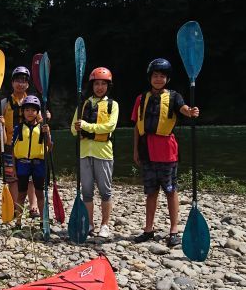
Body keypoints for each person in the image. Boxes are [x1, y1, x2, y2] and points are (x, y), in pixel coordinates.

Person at [131, 58, 200, 247]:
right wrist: (135, 150)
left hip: (167, 152)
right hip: (147, 151)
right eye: (155, 76)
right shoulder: (141, 98)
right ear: (150, 78)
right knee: (151, 192)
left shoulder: (174, 96)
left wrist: (191, 112)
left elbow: (183, 109)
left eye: (162, 76)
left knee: (170, 191)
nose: (158, 79)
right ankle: (148, 229)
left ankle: (174, 230)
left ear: (167, 79)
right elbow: (137, 127)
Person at [70, 67, 119, 239]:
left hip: (103, 152)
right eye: (97, 84)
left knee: (105, 191)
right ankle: (89, 223)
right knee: (87, 192)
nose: (99, 87)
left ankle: (105, 224)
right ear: (92, 85)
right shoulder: (83, 104)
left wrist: (86, 126)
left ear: (108, 86)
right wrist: (78, 127)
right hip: (84, 153)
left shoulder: (113, 105)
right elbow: (73, 129)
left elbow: (110, 126)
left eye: (103, 84)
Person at [1, 66, 39, 218]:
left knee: (30, 177)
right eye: (17, 81)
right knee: (12, 178)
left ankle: (34, 207)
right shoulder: (4, 103)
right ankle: (16, 207)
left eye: (23, 81)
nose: (20, 84)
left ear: (27, 85)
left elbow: (39, 120)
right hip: (10, 144)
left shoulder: (33, 102)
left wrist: (45, 118)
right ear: (12, 83)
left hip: (29, 145)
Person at [12, 95, 52, 228]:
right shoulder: (18, 128)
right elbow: (13, 150)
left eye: (33, 110)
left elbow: (50, 147)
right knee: (21, 194)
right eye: (27, 110)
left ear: (37, 112)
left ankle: (42, 220)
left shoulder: (43, 127)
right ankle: (18, 222)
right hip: (22, 164)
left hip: (38, 165)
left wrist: (48, 134)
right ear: (23, 112)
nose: (30, 113)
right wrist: (13, 167)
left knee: (40, 193)